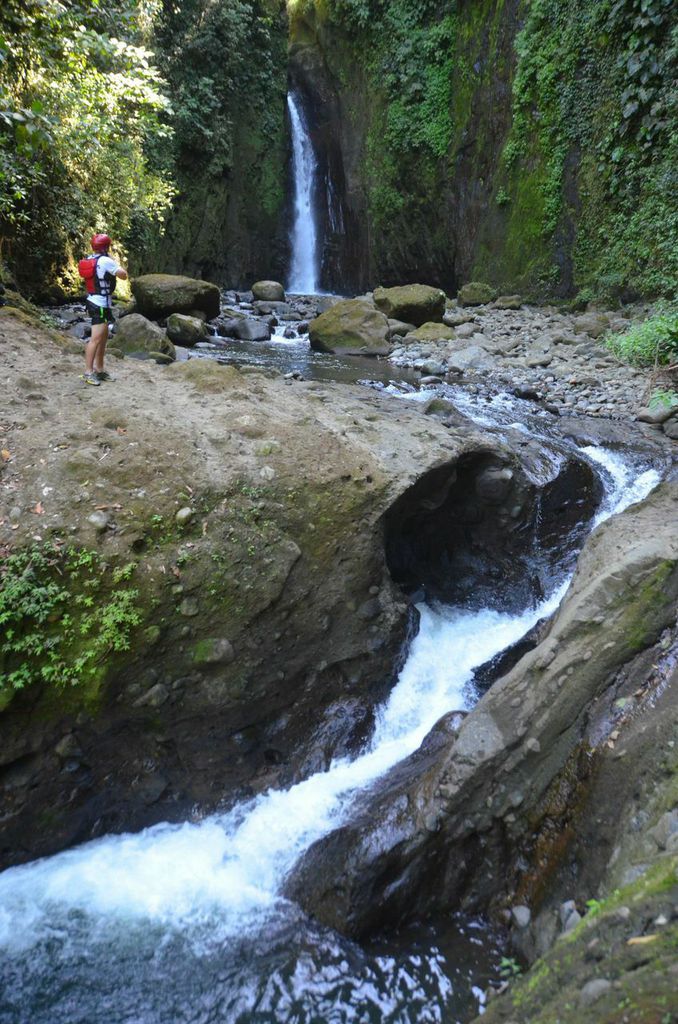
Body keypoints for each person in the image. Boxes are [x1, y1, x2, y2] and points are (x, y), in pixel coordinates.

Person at [81, 233, 128, 386]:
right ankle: (88, 372)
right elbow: (123, 275)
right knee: (96, 339)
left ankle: (99, 369)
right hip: (99, 304)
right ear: (106, 247)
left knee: (103, 337)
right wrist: (116, 265)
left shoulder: (90, 259)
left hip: (95, 301)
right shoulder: (106, 261)